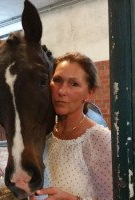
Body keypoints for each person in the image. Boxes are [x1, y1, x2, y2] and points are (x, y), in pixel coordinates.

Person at [30, 52, 113, 200]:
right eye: (57, 80)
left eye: (74, 84)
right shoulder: (45, 135)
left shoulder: (101, 140)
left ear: (90, 92)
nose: (61, 91)